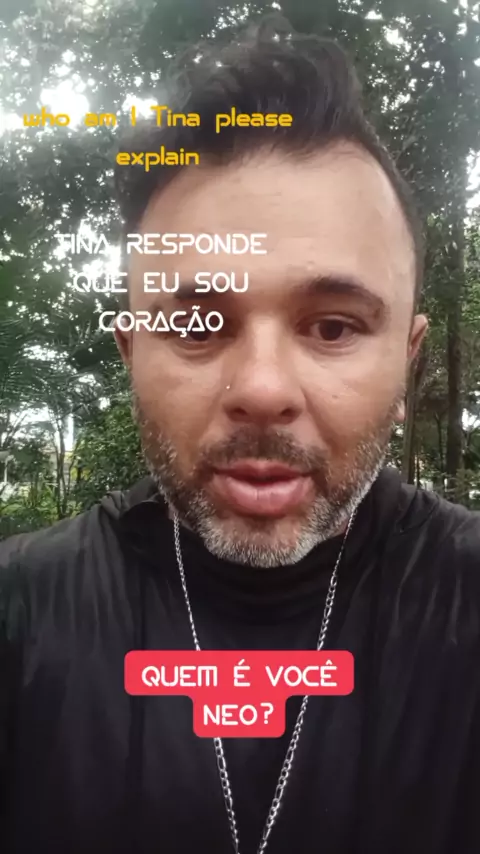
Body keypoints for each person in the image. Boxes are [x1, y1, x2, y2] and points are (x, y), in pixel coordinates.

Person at [1, 15, 480, 854]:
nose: (262, 389)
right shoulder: (20, 615)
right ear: (132, 353)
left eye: (332, 327)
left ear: (407, 359)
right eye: (196, 324)